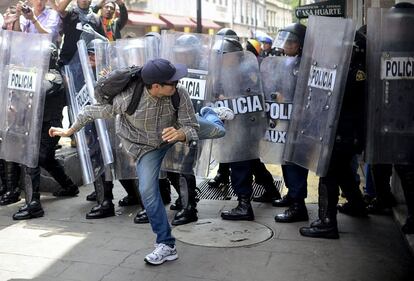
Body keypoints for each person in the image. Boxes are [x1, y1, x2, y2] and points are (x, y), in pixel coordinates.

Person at [49, 58, 229, 265]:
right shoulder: (127, 99)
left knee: (219, 130)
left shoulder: (179, 94)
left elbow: (191, 127)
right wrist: (69, 131)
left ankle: (211, 113)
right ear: (156, 86)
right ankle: (166, 245)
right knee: (148, 191)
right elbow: (90, 111)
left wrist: (181, 133)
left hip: (176, 129)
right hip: (146, 148)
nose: (177, 84)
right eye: (172, 82)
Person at [300, 26, 367, 239]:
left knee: (328, 172)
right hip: (346, 132)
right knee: (344, 171)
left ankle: (327, 223)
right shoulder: (351, 69)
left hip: (342, 132)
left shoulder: (353, 73)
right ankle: (357, 204)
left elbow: (335, 97)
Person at [13, 44, 80, 220]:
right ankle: (69, 186)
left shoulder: (54, 76)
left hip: (50, 127)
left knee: (32, 160)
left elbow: (40, 90)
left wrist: (22, 77)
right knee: (47, 160)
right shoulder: (39, 74)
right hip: (38, 125)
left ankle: (33, 205)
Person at [271, 23, 310, 223]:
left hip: (299, 121)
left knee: (295, 161)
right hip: (284, 118)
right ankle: (291, 195)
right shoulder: (285, 61)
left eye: (291, 41)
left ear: (300, 44)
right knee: (284, 158)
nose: (285, 44)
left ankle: (298, 205)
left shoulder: (305, 64)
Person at [50, 0, 105, 65]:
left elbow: (103, 41)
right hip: (67, 61)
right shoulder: (71, 13)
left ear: (90, 1)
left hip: (87, 63)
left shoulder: (96, 19)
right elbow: (60, 10)